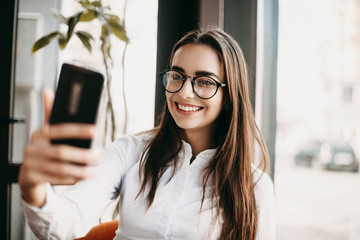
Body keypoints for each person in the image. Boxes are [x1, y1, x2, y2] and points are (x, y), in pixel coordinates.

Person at [19, 27, 275, 240]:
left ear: (230, 96)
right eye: (177, 76)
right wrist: (33, 187)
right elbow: (64, 223)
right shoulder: (129, 152)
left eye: (204, 81)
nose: (184, 92)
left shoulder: (255, 186)